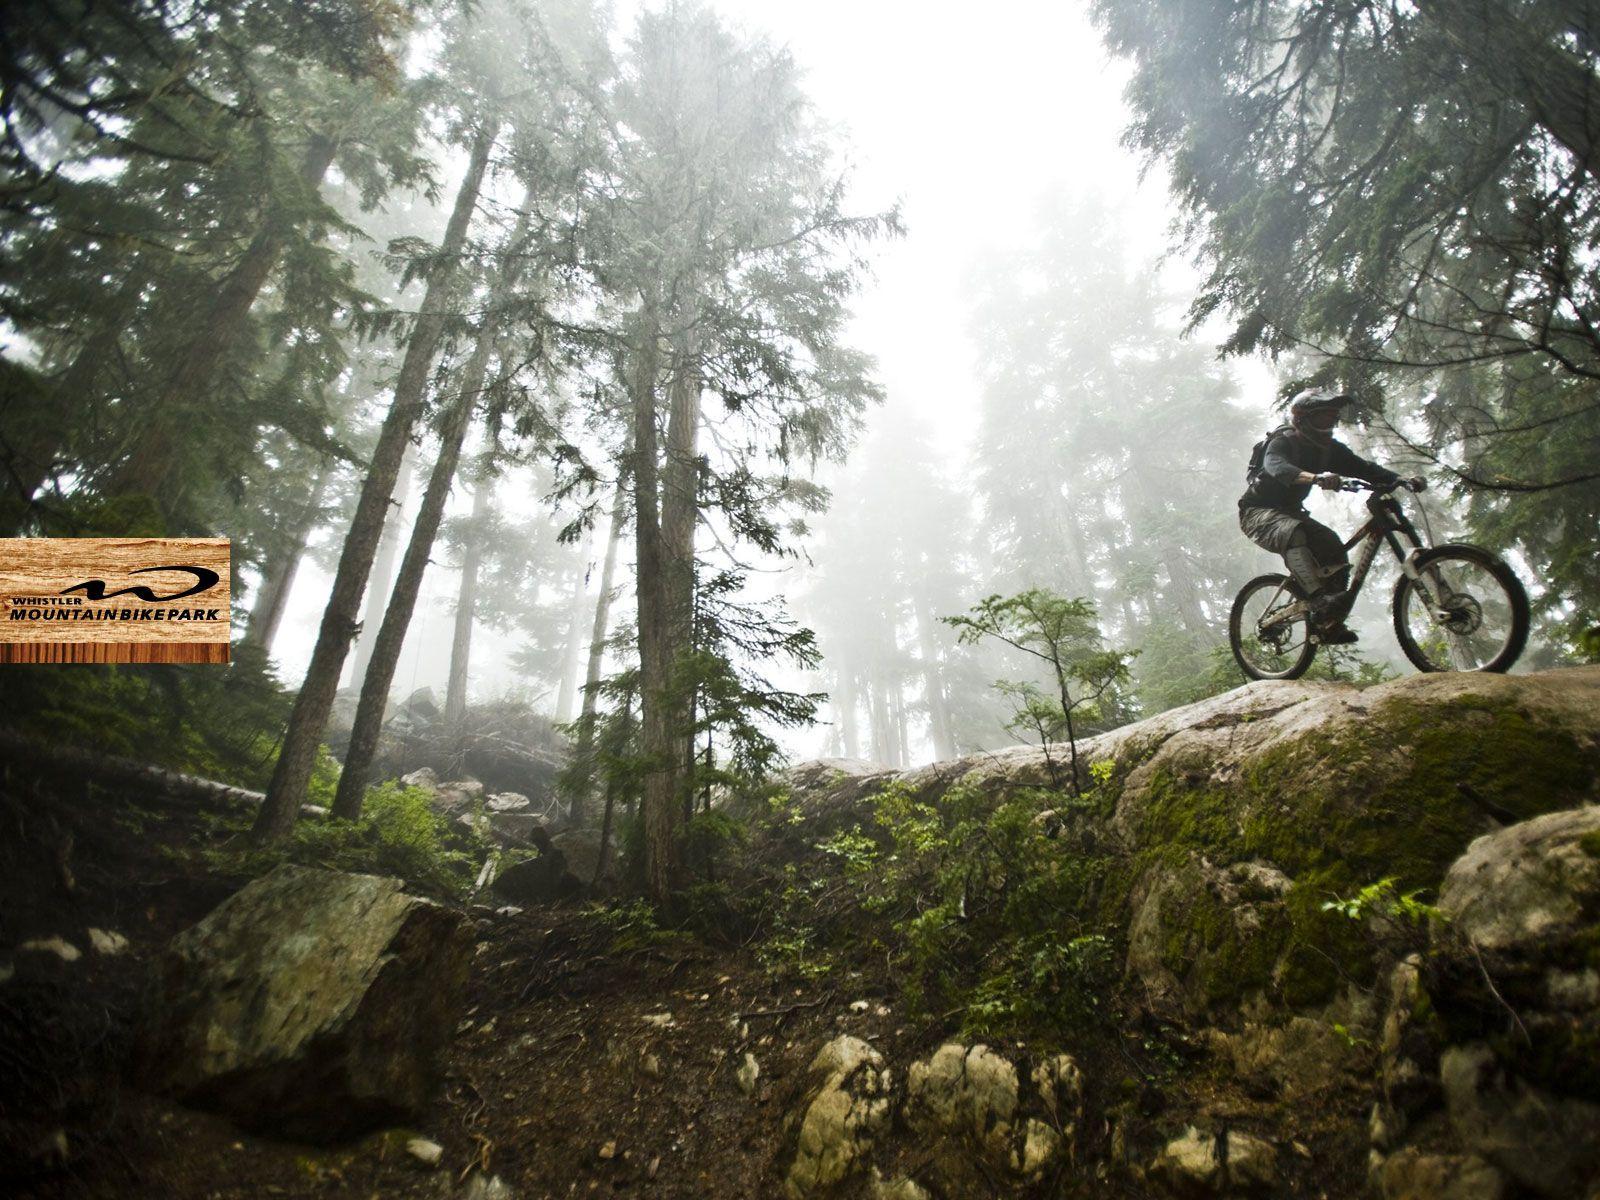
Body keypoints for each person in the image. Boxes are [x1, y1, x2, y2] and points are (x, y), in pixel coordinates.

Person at [1238, 389, 1423, 644]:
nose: (1328, 425)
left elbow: (1364, 468)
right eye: (1322, 419)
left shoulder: (1329, 450)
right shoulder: (1283, 441)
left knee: (1333, 546)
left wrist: (1399, 479)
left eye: (1332, 419)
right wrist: (1314, 478)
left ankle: (1329, 621)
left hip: (1290, 513)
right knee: (1294, 531)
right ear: (1303, 419)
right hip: (1257, 512)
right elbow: (1276, 467)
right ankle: (1316, 598)